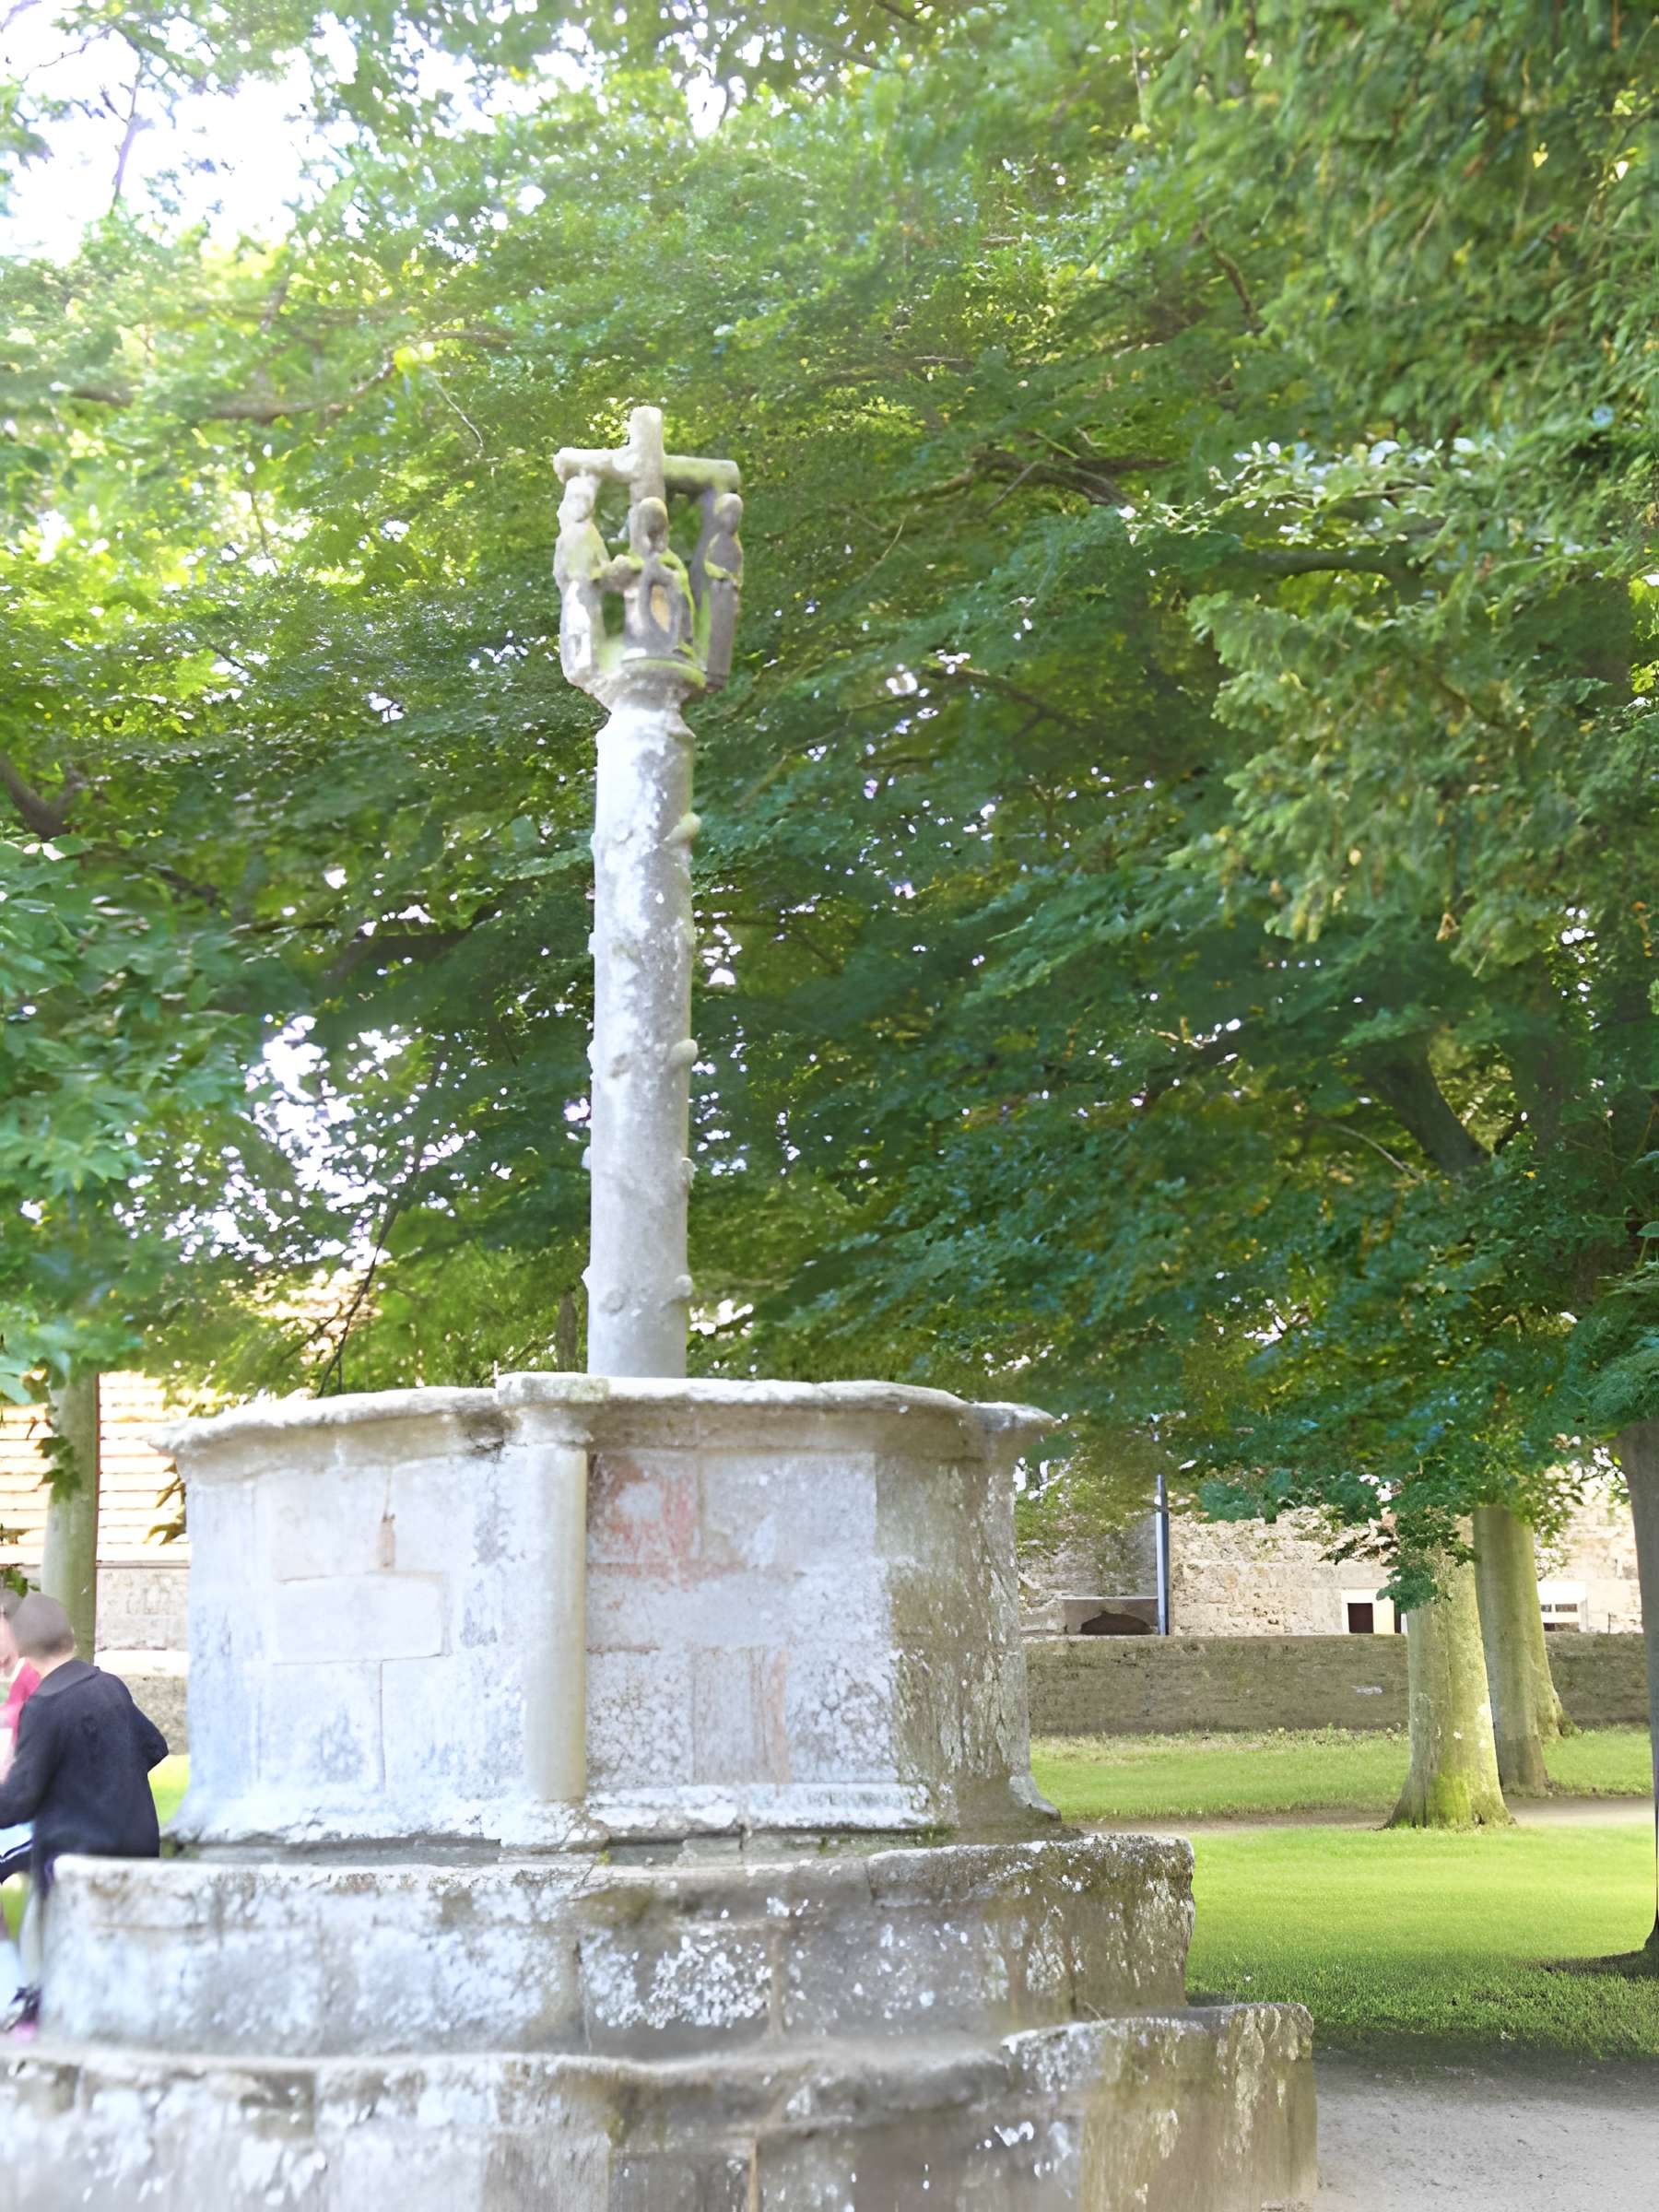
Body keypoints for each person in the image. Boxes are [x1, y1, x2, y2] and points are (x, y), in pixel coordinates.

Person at [0, 1594, 169, 2036]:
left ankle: (31, 2007)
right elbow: (156, 1747)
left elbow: (20, 1800)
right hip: (137, 1839)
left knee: (37, 1919)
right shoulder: (109, 1683)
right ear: (70, 1636)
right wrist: (103, 1780)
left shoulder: (45, 1705)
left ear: (22, 1647)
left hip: (77, 1847)